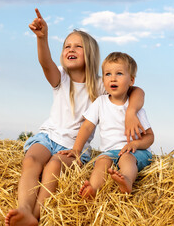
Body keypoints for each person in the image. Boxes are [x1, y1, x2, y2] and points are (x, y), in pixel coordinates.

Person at [5, 9, 146, 226]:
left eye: (77, 46)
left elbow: (136, 91)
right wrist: (42, 39)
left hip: (74, 147)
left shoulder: (101, 84)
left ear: (89, 53)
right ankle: (24, 208)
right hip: (47, 137)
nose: (71, 49)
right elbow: (45, 63)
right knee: (31, 160)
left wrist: (130, 112)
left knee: (53, 165)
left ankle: (35, 216)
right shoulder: (60, 77)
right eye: (67, 46)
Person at [59, 52, 154, 200]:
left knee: (126, 159)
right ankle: (93, 188)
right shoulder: (100, 102)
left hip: (136, 152)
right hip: (109, 151)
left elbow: (150, 137)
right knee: (101, 162)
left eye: (119, 74)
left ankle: (127, 181)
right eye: (107, 74)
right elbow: (87, 127)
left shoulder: (135, 109)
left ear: (131, 80)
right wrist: (77, 149)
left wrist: (136, 143)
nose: (113, 78)